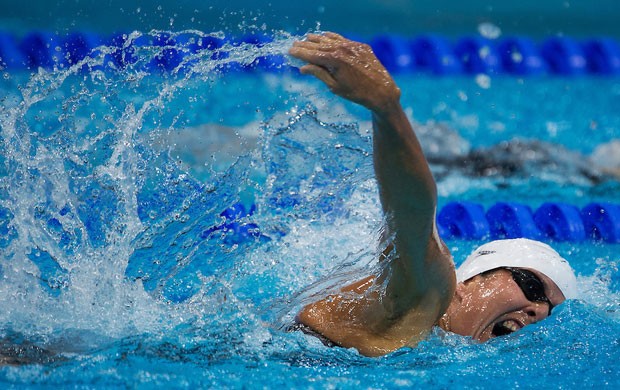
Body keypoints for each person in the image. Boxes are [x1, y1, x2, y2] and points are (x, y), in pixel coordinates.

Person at [288, 32, 578, 357]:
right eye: (531, 286)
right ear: (467, 285)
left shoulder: (432, 338)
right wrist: (386, 107)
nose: (539, 311)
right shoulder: (429, 297)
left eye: (549, 311)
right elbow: (412, 213)